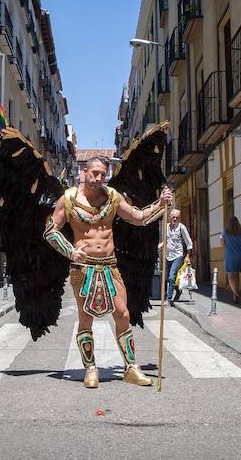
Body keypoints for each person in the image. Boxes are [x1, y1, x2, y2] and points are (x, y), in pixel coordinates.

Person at [44, 156, 173, 389]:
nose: (98, 178)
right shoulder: (69, 199)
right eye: (94, 173)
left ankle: (131, 368)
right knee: (85, 318)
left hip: (110, 266)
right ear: (84, 172)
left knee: (123, 314)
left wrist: (160, 204)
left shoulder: (113, 198)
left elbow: (138, 217)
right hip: (83, 269)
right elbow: (50, 231)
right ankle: (90, 369)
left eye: (103, 174)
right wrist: (71, 251)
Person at [162, 209, 193, 306]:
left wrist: (188, 256)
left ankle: (168, 299)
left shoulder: (181, 227)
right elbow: (164, 240)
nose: (175, 219)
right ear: (170, 217)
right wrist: (161, 244)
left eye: (177, 217)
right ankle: (178, 291)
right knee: (167, 278)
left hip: (177, 255)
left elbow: (189, 243)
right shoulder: (165, 227)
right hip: (167, 255)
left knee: (171, 276)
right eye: (173, 217)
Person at [220, 216, 241, 304]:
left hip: (230, 256)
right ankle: (235, 295)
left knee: (230, 275)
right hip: (239, 256)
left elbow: (221, 244)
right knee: (236, 274)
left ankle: (235, 293)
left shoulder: (225, 232)